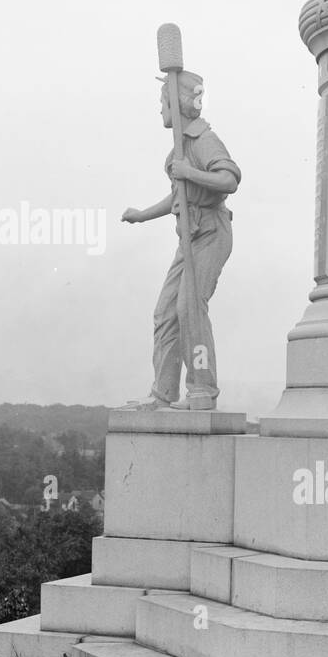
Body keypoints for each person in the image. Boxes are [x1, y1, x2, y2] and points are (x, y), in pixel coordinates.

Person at [121, 69, 240, 411]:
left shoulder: (203, 139)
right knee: (166, 313)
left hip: (211, 233)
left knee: (190, 308)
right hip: (188, 237)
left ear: (176, 104)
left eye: (163, 102)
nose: (160, 109)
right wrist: (143, 214)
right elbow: (180, 196)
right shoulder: (181, 145)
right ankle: (163, 392)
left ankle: (202, 391)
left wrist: (191, 172)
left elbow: (228, 179)